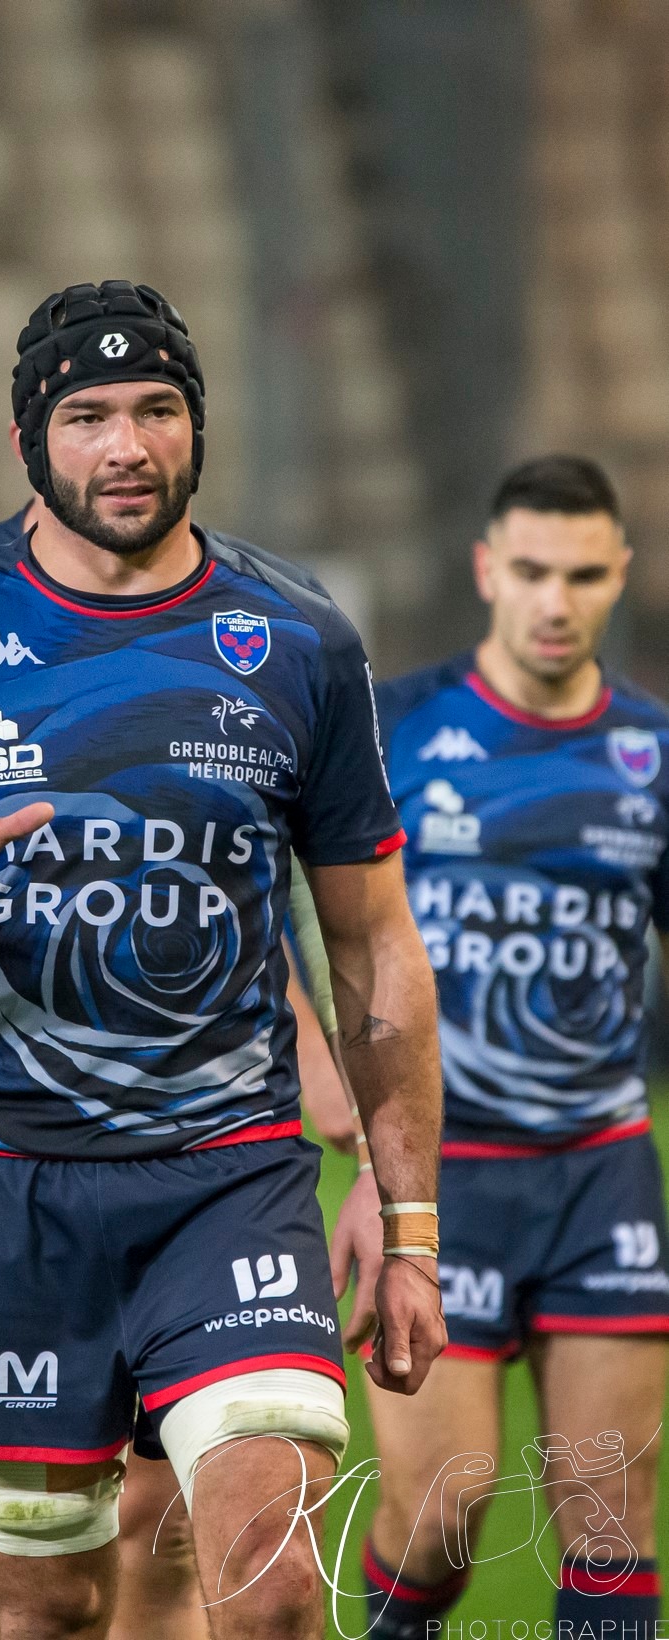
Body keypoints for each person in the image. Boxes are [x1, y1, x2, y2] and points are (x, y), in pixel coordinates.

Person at [0, 278, 446, 1640]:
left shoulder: (298, 638)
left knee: (266, 1593)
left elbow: (372, 947)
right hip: (1, 1185)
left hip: (229, 1175)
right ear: (33, 440)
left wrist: (410, 1218)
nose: (128, 446)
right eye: (87, 416)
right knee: (41, 1612)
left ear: (197, 425)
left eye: (156, 409)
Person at [360, 455, 669, 1636]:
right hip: (444, 1179)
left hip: (603, 1169)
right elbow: (318, 922)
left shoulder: (650, 754)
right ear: (489, 569)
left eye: (584, 574)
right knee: (443, 1507)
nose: (557, 600)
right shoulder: (401, 727)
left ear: (618, 578)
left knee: (612, 1514)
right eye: (533, 570)